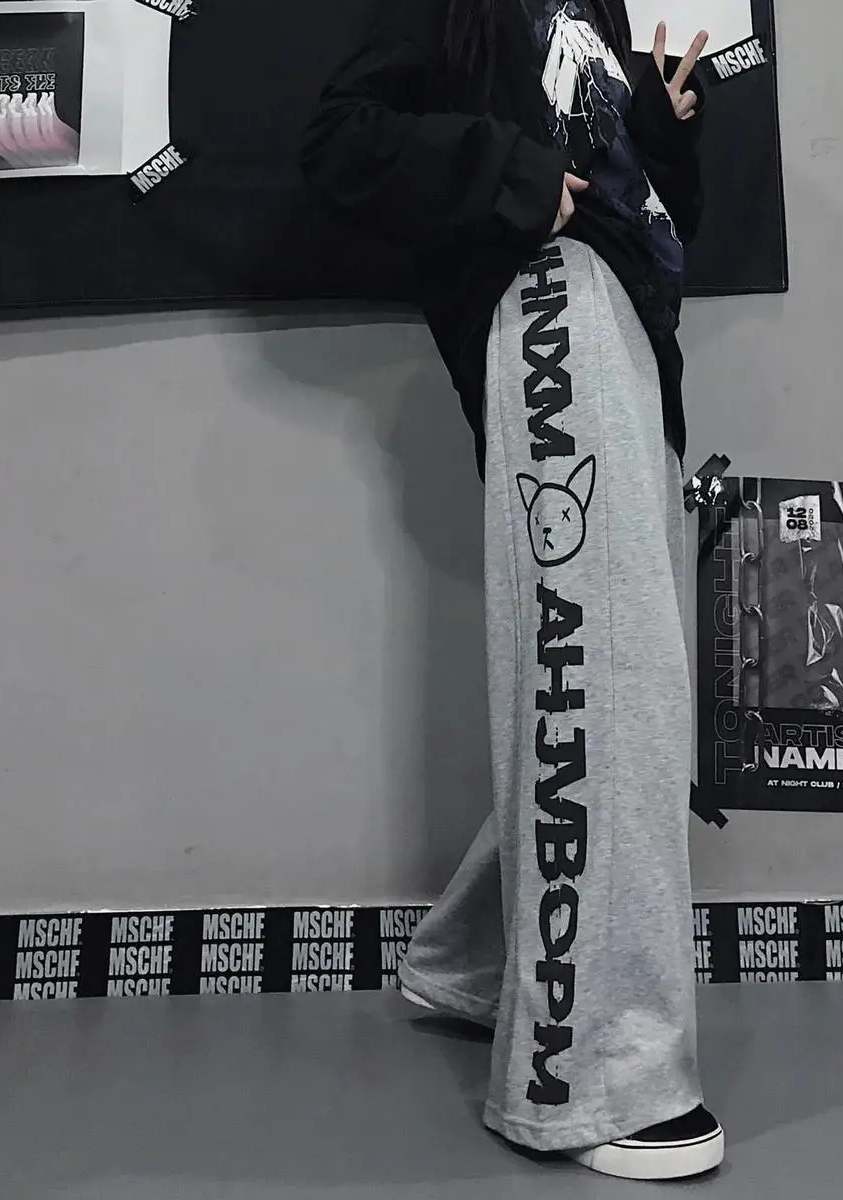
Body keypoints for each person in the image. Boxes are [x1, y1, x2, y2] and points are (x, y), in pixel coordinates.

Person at [300, 0, 720, 1180]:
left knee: (615, 673)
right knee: (610, 674)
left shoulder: (597, 13)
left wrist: (659, 132)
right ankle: (595, 1073)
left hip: (629, 337)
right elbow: (337, 144)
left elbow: (652, 214)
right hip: (549, 307)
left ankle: (480, 963)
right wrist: (518, 178)